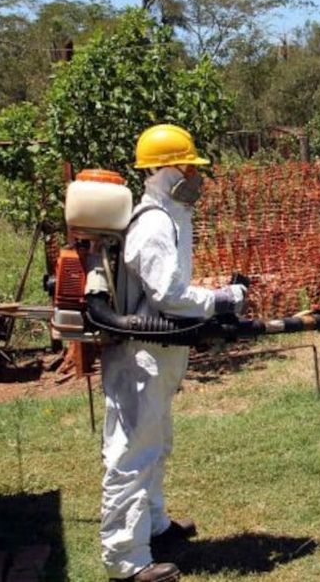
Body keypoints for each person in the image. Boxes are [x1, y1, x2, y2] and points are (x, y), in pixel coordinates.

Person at [100, 124, 247, 582]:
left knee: (156, 444)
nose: (196, 175)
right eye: (189, 166)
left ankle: (155, 527)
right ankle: (126, 561)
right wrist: (222, 298)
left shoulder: (171, 214)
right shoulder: (154, 222)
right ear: (165, 170)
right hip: (141, 354)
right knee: (132, 453)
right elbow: (168, 294)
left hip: (158, 352)